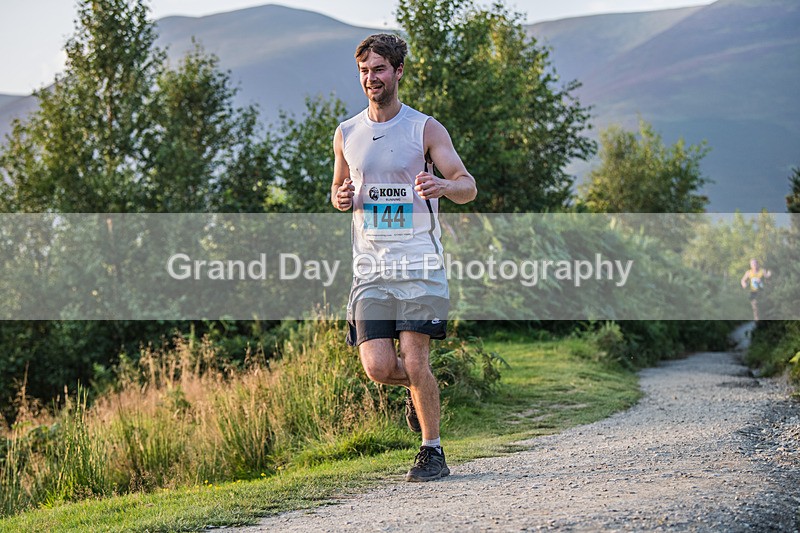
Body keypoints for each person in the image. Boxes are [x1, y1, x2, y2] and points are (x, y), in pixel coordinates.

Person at [330, 33, 477, 482]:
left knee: (415, 361)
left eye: (378, 69)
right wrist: (340, 198)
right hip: (370, 269)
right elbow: (339, 191)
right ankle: (423, 397)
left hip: (419, 265)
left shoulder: (424, 129)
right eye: (363, 71)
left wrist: (444, 187)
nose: (370, 78)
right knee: (377, 367)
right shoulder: (347, 134)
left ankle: (431, 450)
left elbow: (467, 185)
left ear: (397, 72)